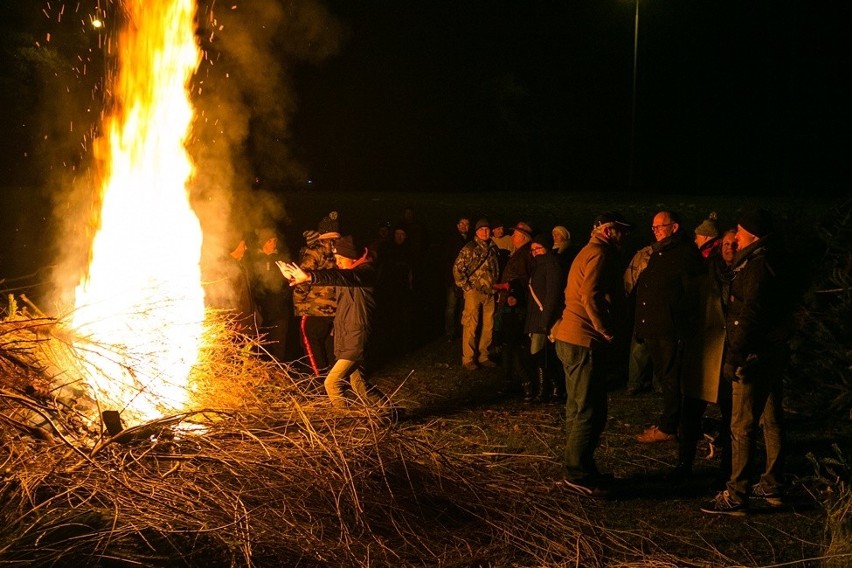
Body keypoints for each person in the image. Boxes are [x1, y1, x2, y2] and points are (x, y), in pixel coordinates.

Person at [702, 209, 793, 515]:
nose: (735, 237)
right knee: (771, 418)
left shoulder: (755, 266)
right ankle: (772, 484)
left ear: (752, 234)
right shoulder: (772, 260)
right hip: (773, 351)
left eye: (739, 232)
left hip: (754, 355)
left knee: (742, 424)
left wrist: (735, 356)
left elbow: (748, 316)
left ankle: (736, 494)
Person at [552, 212, 632, 497]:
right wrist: (605, 329)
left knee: (577, 407)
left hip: (569, 336)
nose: (627, 236)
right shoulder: (600, 254)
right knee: (590, 409)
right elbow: (590, 295)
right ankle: (576, 473)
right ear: (609, 231)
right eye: (623, 231)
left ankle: (580, 466)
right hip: (583, 339)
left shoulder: (587, 251)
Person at [277, 236, 392, 410]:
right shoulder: (347, 275)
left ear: (353, 257)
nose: (337, 263)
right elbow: (329, 280)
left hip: (357, 338)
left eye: (340, 259)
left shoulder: (364, 273)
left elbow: (340, 277)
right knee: (359, 385)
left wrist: (309, 276)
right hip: (347, 338)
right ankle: (389, 413)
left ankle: (343, 420)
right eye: (336, 259)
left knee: (331, 383)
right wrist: (296, 277)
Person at [670, 227, 736, 483]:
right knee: (691, 412)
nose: (730, 248)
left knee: (732, 415)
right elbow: (686, 309)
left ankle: (728, 466)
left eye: (734, 244)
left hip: (730, 355)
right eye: (726, 244)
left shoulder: (742, 275)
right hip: (704, 353)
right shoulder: (705, 274)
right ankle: (684, 462)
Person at [634, 211, 703, 443]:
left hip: (670, 327)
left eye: (660, 226)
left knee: (671, 377)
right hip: (656, 326)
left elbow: (693, 293)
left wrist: (678, 318)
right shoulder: (661, 252)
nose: (656, 231)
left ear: (674, 227)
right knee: (665, 376)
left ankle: (670, 425)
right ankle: (671, 420)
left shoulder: (684, 254)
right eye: (653, 227)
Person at [453, 218, 500, 371]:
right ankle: (468, 358)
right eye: (482, 230)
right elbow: (457, 269)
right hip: (474, 292)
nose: (485, 232)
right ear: (477, 232)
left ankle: (484, 355)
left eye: (487, 229)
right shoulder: (470, 248)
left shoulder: (493, 248)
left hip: (490, 292)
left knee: (489, 325)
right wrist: (466, 287)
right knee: (470, 325)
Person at [494, 221, 534, 395]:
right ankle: (509, 381)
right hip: (510, 305)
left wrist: (510, 292)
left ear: (523, 237)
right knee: (508, 345)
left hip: (514, 308)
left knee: (513, 346)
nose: (512, 237)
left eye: (516, 234)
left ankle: (525, 383)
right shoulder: (520, 253)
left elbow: (523, 280)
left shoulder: (524, 254)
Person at [293, 228, 338, 376]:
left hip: (315, 307)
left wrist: (299, 305)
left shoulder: (315, 250)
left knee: (310, 342)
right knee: (329, 344)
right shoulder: (342, 247)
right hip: (337, 307)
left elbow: (302, 277)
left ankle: (321, 382)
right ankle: (336, 380)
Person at [525, 233, 563, 403]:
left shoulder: (551, 265)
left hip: (543, 317)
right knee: (539, 355)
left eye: (538, 248)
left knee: (540, 354)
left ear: (546, 248)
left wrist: (545, 320)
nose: (535, 252)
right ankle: (548, 389)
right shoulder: (538, 266)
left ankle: (550, 389)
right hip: (536, 317)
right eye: (533, 250)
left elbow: (552, 294)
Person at [203, 232, 259, 336]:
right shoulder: (226, 268)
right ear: (235, 246)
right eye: (243, 245)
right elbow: (224, 297)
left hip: (243, 324)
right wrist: (234, 319)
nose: (246, 248)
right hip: (236, 327)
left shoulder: (237, 265)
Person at [250, 226, 293, 362]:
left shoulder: (281, 259)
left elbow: (290, 281)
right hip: (262, 311)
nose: (273, 243)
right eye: (269, 241)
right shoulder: (254, 260)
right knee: (263, 346)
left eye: (274, 240)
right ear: (262, 243)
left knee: (279, 345)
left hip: (280, 310)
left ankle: (279, 373)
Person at [623, 244, 656, 396]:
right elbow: (629, 278)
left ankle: (657, 382)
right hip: (642, 305)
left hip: (659, 306)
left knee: (659, 346)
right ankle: (635, 382)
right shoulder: (644, 255)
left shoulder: (674, 254)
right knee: (639, 344)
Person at [443, 216, 471, 340]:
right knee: (451, 307)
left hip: (467, 280)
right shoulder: (451, 240)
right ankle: (450, 332)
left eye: (467, 224)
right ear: (457, 225)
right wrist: (451, 278)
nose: (464, 226)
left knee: (464, 306)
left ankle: (462, 331)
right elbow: (448, 260)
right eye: (462, 223)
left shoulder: (470, 241)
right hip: (453, 279)